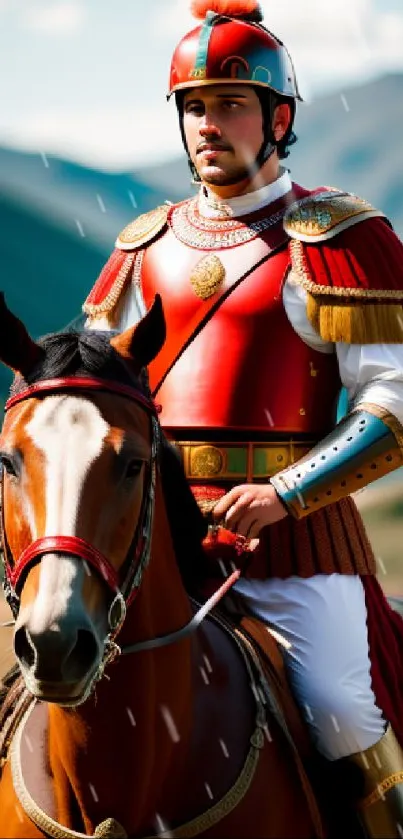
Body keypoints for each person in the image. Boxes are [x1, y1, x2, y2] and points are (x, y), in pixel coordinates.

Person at [83, 1, 403, 834]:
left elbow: (392, 410)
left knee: (341, 712)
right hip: (156, 537)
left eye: (229, 103)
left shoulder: (340, 235)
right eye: (193, 106)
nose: (207, 124)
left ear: (278, 118)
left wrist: (283, 494)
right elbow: (86, 396)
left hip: (298, 547)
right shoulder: (140, 246)